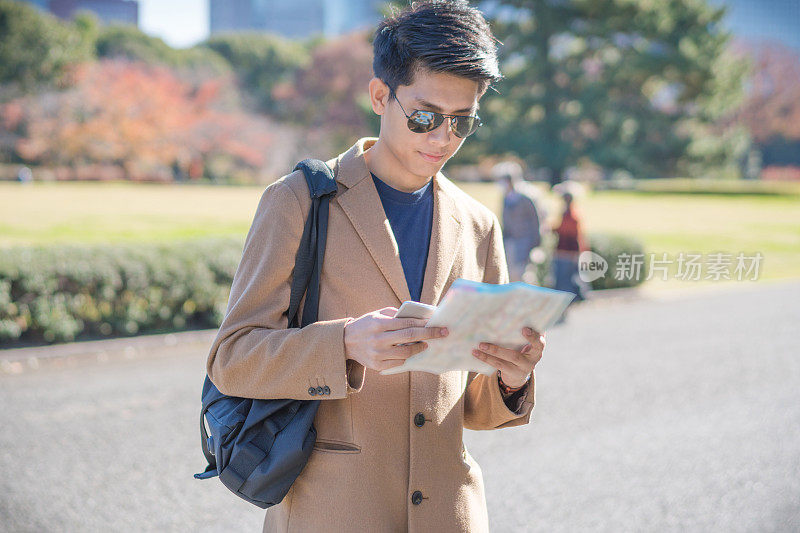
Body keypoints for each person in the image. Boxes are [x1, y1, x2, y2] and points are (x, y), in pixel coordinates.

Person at [205, 2, 546, 531]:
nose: (442, 139)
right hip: (331, 511)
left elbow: (476, 407)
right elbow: (232, 357)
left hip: (449, 514)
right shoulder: (298, 201)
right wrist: (343, 344)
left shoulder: (479, 224)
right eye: (426, 117)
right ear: (380, 96)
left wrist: (512, 377)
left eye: (462, 122)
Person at [494, 161, 546, 282]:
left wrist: (536, 244)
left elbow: (536, 222)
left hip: (525, 243)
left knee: (524, 275)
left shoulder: (526, 198)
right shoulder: (506, 197)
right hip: (511, 243)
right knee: (510, 274)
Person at [551, 190, 591, 303]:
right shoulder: (569, 213)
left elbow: (568, 233)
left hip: (567, 252)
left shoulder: (571, 215)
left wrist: (554, 229)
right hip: (567, 251)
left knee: (565, 279)